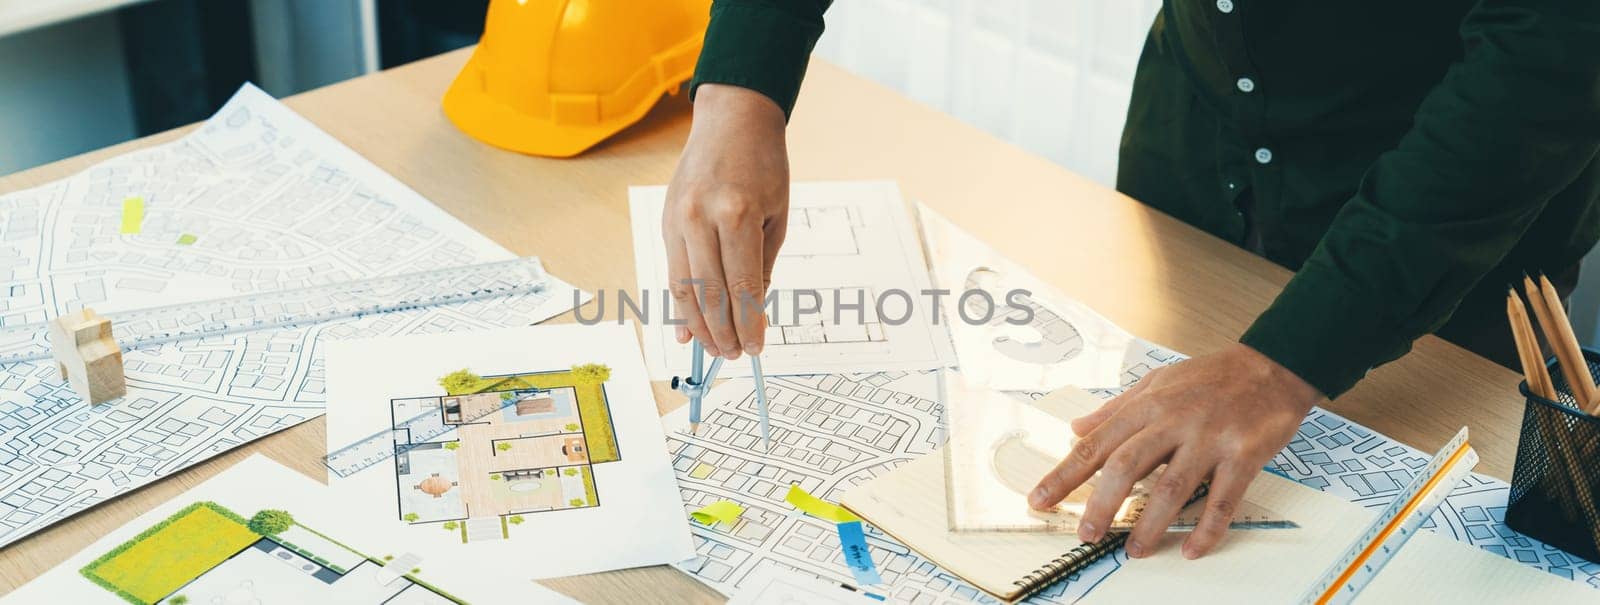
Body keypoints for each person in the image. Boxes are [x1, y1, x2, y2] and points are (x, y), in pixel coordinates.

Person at [661, 0, 1600, 559]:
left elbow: (1547, 57)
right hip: (1197, 143)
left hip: (1445, 205)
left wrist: (1286, 362)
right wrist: (743, 85)